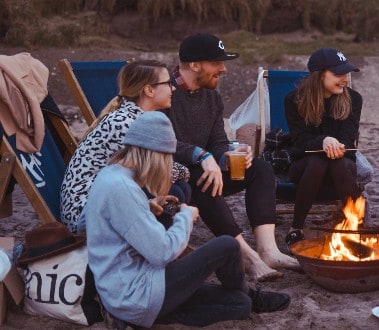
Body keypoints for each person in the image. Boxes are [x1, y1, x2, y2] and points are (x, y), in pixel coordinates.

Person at [82, 112, 290, 328]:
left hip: (127, 294)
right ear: (154, 153)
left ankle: (158, 315)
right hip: (137, 294)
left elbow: (107, 222)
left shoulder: (111, 176)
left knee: (240, 305)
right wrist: (185, 217)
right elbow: (162, 253)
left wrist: (146, 207)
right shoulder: (122, 188)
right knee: (227, 246)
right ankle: (249, 294)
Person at [165, 33, 298, 282]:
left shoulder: (212, 97)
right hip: (172, 176)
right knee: (203, 179)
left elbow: (217, 141)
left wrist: (227, 154)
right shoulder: (164, 92)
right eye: (216, 63)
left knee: (260, 168)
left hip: (207, 168)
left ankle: (268, 250)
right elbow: (160, 141)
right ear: (194, 65)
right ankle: (247, 257)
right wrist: (201, 155)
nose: (224, 69)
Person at [60, 59, 191, 234]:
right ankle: (156, 245)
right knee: (174, 191)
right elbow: (158, 172)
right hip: (86, 213)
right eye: (168, 83)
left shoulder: (133, 117)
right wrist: (188, 169)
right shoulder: (125, 123)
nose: (173, 88)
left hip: (107, 199)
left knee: (180, 189)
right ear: (149, 90)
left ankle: (158, 240)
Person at [282, 47, 362, 246]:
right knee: (318, 161)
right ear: (319, 76)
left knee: (338, 163)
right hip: (305, 165)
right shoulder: (294, 100)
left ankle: (355, 226)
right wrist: (323, 141)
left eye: (346, 72)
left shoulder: (353, 99)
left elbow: (348, 139)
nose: (345, 78)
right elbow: (300, 141)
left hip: (341, 165)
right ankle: (296, 227)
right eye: (338, 73)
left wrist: (336, 146)